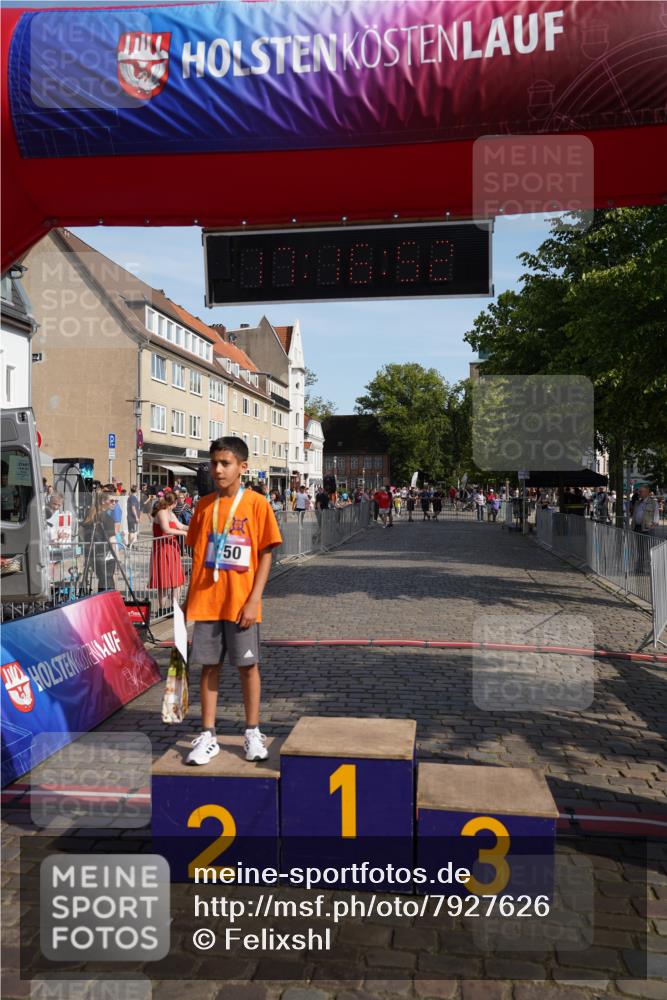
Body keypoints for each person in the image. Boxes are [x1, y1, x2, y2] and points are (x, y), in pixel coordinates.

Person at [182, 437, 283, 765]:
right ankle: (208, 735)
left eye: (225, 463)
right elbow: (198, 556)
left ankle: (252, 731)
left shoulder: (256, 504)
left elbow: (266, 554)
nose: (218, 469)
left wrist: (254, 599)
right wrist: (187, 600)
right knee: (208, 667)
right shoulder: (203, 505)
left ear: (243, 467)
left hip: (241, 602)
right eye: (214, 463)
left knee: (248, 667)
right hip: (207, 602)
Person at [150, 491, 188, 612]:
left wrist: (194, 527)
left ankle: (174, 607)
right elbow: (166, 529)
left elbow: (181, 526)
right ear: (174, 502)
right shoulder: (162, 512)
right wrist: (183, 533)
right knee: (164, 580)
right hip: (162, 548)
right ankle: (162, 609)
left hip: (172, 548)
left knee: (177, 579)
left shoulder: (170, 513)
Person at [80, 492, 117, 592]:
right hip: (105, 554)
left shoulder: (90, 515)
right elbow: (112, 540)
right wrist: (117, 557)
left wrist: (88, 544)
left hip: (91, 554)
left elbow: (81, 532)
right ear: (103, 501)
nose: (114, 503)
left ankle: (103, 598)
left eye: (116, 501)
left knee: (103, 579)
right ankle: (106, 600)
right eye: (112, 501)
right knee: (107, 581)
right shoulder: (107, 518)